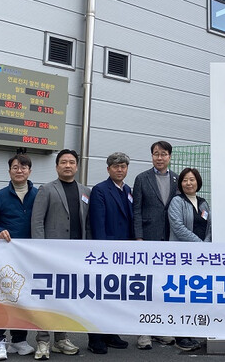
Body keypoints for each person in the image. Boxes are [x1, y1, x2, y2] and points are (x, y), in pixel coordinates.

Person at [31, 149, 91, 360]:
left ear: (77, 166)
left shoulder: (85, 191)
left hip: (75, 254)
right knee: (47, 297)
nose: (68, 165)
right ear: (57, 166)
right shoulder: (46, 189)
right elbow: (37, 221)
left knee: (66, 297)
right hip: (51, 254)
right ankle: (42, 340)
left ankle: (61, 339)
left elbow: (87, 223)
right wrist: (40, 250)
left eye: (71, 162)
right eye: (63, 162)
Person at [0, 154, 38, 361]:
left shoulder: (39, 195)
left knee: (24, 297)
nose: (19, 170)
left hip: (28, 257)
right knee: (0, 297)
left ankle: (19, 339)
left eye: (24, 167)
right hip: (3, 257)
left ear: (30, 171)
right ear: (9, 171)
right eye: (15, 167)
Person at [132, 140, 178, 350]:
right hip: (148, 238)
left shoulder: (177, 179)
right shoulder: (142, 178)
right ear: (151, 156)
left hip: (170, 239)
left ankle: (159, 328)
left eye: (163, 154)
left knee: (165, 285)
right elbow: (137, 210)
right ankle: (144, 332)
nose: (160, 158)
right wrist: (139, 237)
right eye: (156, 154)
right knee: (147, 285)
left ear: (169, 157)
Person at [88, 152, 133, 355]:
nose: (120, 170)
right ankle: (95, 338)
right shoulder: (100, 190)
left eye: (123, 166)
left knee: (116, 295)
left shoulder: (128, 190)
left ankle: (110, 333)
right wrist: (102, 251)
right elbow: (98, 223)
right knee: (99, 295)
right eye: (116, 166)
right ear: (108, 169)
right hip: (106, 252)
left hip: (125, 252)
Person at [167, 167, 211, 351]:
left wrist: (206, 244)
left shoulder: (203, 203)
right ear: (180, 184)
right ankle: (180, 336)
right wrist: (199, 244)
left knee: (193, 294)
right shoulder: (177, 201)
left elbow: (210, 227)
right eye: (185, 180)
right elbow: (177, 226)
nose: (189, 183)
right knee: (181, 294)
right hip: (182, 255)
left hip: (199, 257)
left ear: (198, 182)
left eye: (192, 179)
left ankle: (190, 332)